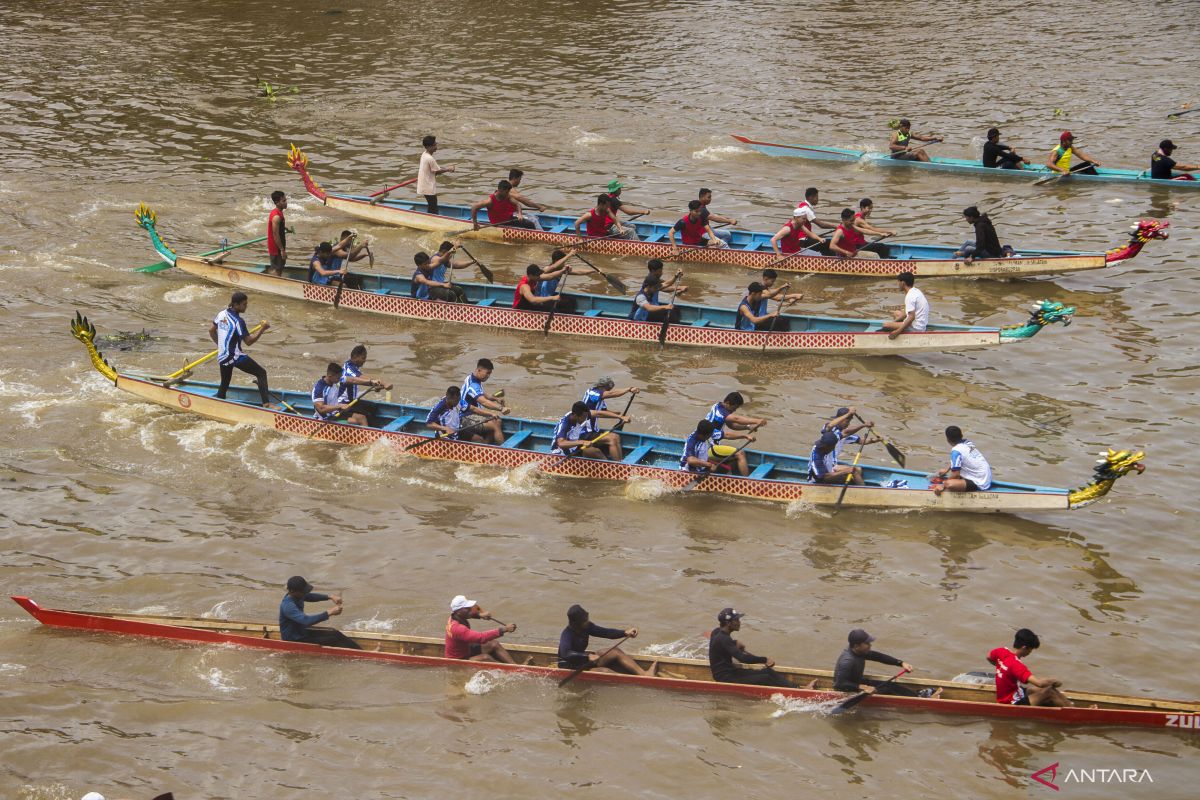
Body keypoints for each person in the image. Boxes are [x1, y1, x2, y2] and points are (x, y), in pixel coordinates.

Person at [209, 292, 273, 407]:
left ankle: (219, 404)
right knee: (261, 373)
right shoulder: (238, 321)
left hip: (222, 356)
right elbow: (249, 342)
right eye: (244, 304)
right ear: (236, 305)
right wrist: (262, 329)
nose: (246, 306)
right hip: (234, 356)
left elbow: (211, 331)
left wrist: (220, 347)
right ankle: (267, 404)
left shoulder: (221, 314)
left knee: (224, 384)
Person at [833, 629, 937, 697]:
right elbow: (839, 684)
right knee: (889, 688)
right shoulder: (847, 661)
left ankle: (916, 695)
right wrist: (862, 687)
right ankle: (918, 697)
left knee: (891, 685)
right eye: (867, 643)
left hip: (858, 682)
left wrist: (901, 663)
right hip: (848, 689)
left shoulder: (860, 652)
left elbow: (879, 657)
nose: (870, 645)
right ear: (856, 646)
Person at [558, 604, 658, 676]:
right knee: (606, 672)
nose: (588, 622)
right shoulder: (567, 634)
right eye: (585, 620)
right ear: (576, 623)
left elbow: (605, 633)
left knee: (615, 651)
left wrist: (624, 633)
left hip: (584, 661)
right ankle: (636, 682)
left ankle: (644, 674)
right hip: (570, 667)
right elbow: (565, 653)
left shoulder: (586, 627)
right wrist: (587, 656)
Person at [708, 608, 792, 688]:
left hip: (731, 672)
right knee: (765, 678)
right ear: (728, 623)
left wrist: (734, 642)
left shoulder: (716, 632)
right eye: (736, 620)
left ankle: (796, 688)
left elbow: (720, 645)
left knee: (768, 671)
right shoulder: (724, 639)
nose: (739, 622)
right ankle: (796, 692)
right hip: (725, 678)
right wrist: (764, 660)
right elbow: (743, 658)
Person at [987, 628, 1073, 707]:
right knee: (1049, 692)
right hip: (1011, 702)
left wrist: (1001, 667)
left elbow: (989, 657)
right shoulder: (1016, 665)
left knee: (1050, 689)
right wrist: (1056, 681)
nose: (1030, 652)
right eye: (1030, 649)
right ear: (1024, 648)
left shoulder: (1001, 651)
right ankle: (1074, 712)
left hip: (1016, 692)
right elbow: (1039, 683)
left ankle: (1070, 706)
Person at [279, 576, 361, 649]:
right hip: (293, 640)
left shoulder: (297, 595)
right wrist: (329, 612)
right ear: (293, 591)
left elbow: (310, 596)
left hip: (301, 632)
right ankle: (362, 654)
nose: (305, 593)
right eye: (303, 592)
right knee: (333, 640)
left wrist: (330, 597)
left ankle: (361, 651)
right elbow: (306, 620)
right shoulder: (288, 606)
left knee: (335, 633)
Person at [444, 595, 517, 663]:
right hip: (459, 659)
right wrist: (504, 629)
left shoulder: (453, 616)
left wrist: (479, 615)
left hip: (467, 649)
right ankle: (506, 671)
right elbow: (481, 637)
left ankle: (515, 667)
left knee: (494, 644)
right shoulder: (457, 628)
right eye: (467, 608)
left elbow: (468, 614)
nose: (470, 609)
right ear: (459, 611)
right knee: (485, 657)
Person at [582, 377, 638, 457]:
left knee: (617, 437)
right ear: (602, 387)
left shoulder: (600, 399)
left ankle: (620, 462)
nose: (609, 391)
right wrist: (629, 389)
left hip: (592, 430)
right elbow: (611, 394)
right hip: (584, 431)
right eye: (608, 389)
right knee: (613, 438)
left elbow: (604, 412)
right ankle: (618, 466)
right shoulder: (592, 393)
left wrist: (620, 416)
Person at [552, 400, 625, 460]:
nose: (585, 419)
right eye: (583, 417)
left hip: (575, 447)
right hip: (561, 453)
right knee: (594, 451)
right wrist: (582, 442)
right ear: (575, 415)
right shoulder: (565, 424)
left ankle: (618, 464)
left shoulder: (580, 414)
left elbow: (598, 413)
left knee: (612, 439)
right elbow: (561, 443)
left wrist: (619, 416)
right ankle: (611, 469)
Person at [680, 418, 755, 476]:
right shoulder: (692, 442)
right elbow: (691, 460)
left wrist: (745, 436)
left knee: (731, 463)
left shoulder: (703, 432)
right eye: (710, 435)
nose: (712, 436)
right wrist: (709, 465)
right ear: (705, 435)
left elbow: (726, 435)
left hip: (702, 466)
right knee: (722, 469)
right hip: (689, 471)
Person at [930, 425, 992, 493]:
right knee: (953, 477)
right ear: (961, 435)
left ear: (948, 440)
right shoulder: (967, 442)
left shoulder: (956, 451)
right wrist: (946, 470)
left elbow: (956, 475)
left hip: (980, 482)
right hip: (986, 477)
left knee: (949, 483)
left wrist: (943, 485)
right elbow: (961, 458)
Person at [460, 358, 508, 444]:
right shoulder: (473, 386)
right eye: (487, 373)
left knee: (497, 420)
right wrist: (501, 408)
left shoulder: (471, 378)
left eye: (490, 373)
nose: (488, 376)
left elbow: (482, 394)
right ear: (479, 370)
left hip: (473, 414)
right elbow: (484, 402)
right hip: (464, 418)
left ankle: (485, 445)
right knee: (495, 424)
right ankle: (504, 451)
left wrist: (495, 398)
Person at [340, 344, 391, 424]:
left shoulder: (350, 365)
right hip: (344, 403)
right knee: (365, 414)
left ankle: (373, 428)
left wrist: (377, 386)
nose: (364, 360)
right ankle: (368, 430)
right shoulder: (350, 369)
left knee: (373, 407)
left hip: (352, 400)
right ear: (355, 356)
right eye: (363, 358)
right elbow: (361, 379)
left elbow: (363, 380)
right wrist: (381, 383)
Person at [311, 361, 366, 426]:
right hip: (325, 419)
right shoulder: (319, 389)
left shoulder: (335, 380)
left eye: (340, 377)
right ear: (330, 376)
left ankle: (369, 436)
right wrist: (339, 406)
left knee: (362, 418)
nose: (340, 379)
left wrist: (371, 382)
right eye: (338, 378)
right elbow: (321, 409)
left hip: (336, 413)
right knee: (354, 421)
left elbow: (353, 380)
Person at [471, 179, 535, 230]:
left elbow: (517, 204)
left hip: (509, 220)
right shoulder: (490, 201)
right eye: (507, 192)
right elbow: (474, 207)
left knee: (530, 224)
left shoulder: (507, 196)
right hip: (498, 225)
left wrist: (520, 214)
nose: (508, 194)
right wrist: (475, 224)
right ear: (500, 190)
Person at [880, 271, 929, 339]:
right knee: (896, 313)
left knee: (885, 325)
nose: (898, 284)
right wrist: (894, 322)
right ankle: (900, 327)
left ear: (903, 283)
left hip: (916, 328)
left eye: (898, 282)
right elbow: (905, 313)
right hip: (921, 325)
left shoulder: (910, 296)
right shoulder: (915, 291)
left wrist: (897, 331)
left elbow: (911, 317)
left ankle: (901, 331)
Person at [417, 134, 455, 215]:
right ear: (428, 147)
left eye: (436, 144)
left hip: (424, 184)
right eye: (434, 145)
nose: (436, 146)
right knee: (433, 207)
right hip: (428, 187)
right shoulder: (430, 159)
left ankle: (431, 217)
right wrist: (449, 169)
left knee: (432, 205)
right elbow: (437, 171)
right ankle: (431, 220)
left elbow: (434, 171)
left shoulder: (424, 154)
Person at [265, 190, 288, 276]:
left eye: (285, 200)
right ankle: (272, 280)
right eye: (283, 201)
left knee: (280, 266)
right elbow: (275, 235)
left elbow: (278, 228)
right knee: (278, 268)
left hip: (279, 245)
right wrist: (282, 250)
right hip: (276, 247)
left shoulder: (279, 212)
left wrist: (285, 229)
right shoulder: (276, 217)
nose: (286, 202)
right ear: (277, 202)